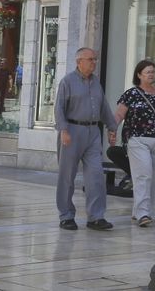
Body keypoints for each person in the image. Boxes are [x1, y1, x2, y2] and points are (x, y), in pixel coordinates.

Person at [55, 47, 119, 230]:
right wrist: (63, 130)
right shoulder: (67, 82)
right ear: (79, 61)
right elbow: (59, 108)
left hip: (92, 133)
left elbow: (103, 106)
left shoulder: (96, 82)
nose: (94, 63)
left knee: (96, 175)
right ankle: (66, 215)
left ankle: (96, 217)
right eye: (90, 59)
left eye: (95, 59)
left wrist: (111, 126)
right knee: (67, 176)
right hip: (72, 131)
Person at [114, 58, 155, 227]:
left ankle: (141, 211)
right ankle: (142, 213)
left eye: (153, 71)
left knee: (154, 179)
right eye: (148, 72)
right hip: (137, 139)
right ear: (139, 75)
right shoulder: (131, 94)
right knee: (143, 175)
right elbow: (119, 114)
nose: (151, 74)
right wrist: (112, 129)